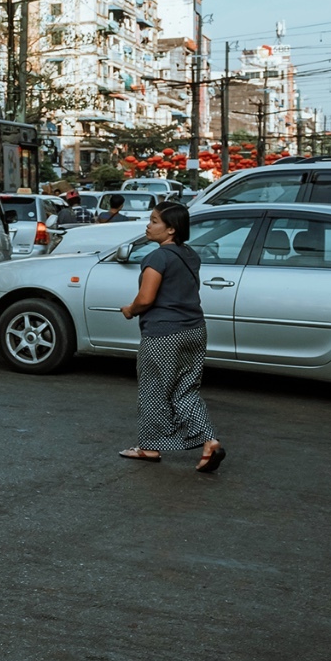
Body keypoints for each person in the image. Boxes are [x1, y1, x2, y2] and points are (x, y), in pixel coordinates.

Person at [119, 202, 223, 472]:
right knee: (185, 389)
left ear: (171, 229)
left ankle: (149, 447)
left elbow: (146, 298)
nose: (148, 225)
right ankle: (208, 442)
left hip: (164, 334)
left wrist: (130, 310)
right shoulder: (190, 255)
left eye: (154, 221)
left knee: (154, 390)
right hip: (194, 330)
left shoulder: (157, 257)